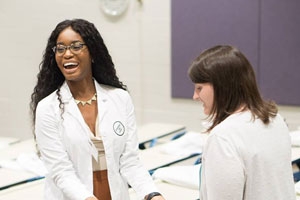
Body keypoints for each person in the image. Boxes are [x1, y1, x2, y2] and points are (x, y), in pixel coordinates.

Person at [30, 19, 165, 200]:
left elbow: (130, 161)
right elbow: (61, 171)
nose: (67, 54)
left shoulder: (119, 98)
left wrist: (152, 194)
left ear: (93, 52)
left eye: (76, 46)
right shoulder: (47, 108)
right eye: (60, 48)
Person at [188, 45, 296, 200]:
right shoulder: (275, 119)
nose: (195, 96)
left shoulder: (223, 137)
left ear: (221, 86)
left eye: (199, 88)